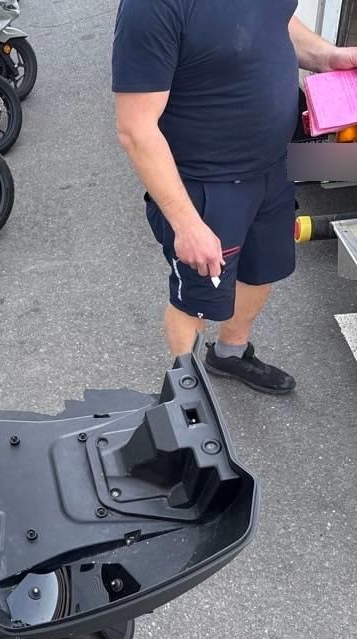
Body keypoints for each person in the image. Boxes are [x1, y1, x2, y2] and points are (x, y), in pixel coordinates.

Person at [112, 0, 357, 394]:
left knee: (262, 272)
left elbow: (277, 18)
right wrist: (187, 225)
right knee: (195, 300)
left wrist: (326, 56)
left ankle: (230, 353)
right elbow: (135, 130)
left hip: (275, 167)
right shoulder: (153, 7)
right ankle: (188, 400)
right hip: (207, 185)